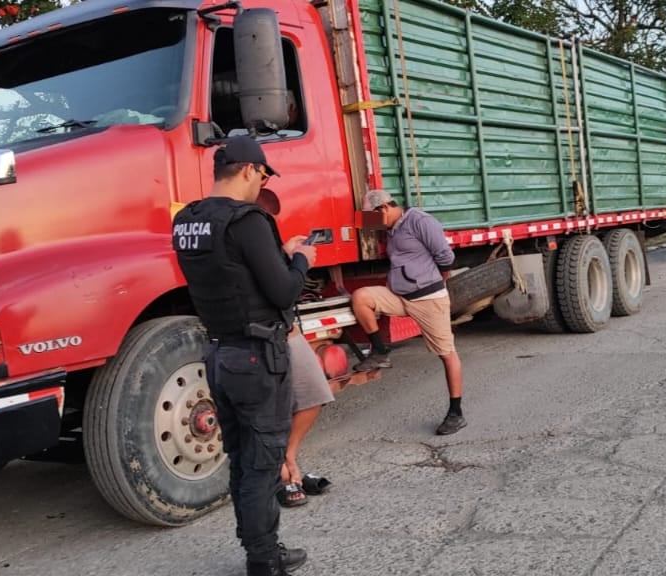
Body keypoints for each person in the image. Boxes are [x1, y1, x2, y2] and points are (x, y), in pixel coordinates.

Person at [172, 135, 314, 576]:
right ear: (251, 170)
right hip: (257, 357)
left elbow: (232, 274)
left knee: (242, 459)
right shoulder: (248, 219)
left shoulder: (187, 221)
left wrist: (279, 255)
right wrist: (301, 260)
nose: (263, 182)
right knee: (263, 463)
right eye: (264, 174)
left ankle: (259, 547)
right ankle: (263, 559)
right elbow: (284, 290)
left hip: (219, 354)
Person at [349, 189, 466, 436]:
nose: (372, 225)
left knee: (446, 354)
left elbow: (446, 257)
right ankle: (380, 351)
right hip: (401, 297)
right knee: (361, 298)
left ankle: (456, 413)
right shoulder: (392, 229)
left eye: (372, 217)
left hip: (428, 299)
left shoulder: (420, 221)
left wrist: (434, 281)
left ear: (384, 209)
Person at [254, 187, 335, 509]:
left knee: (314, 392)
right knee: (268, 411)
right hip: (262, 333)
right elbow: (281, 289)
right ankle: (283, 472)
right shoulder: (238, 231)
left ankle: (288, 456)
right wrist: (299, 262)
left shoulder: (260, 229)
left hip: (286, 328)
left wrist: (286, 254)